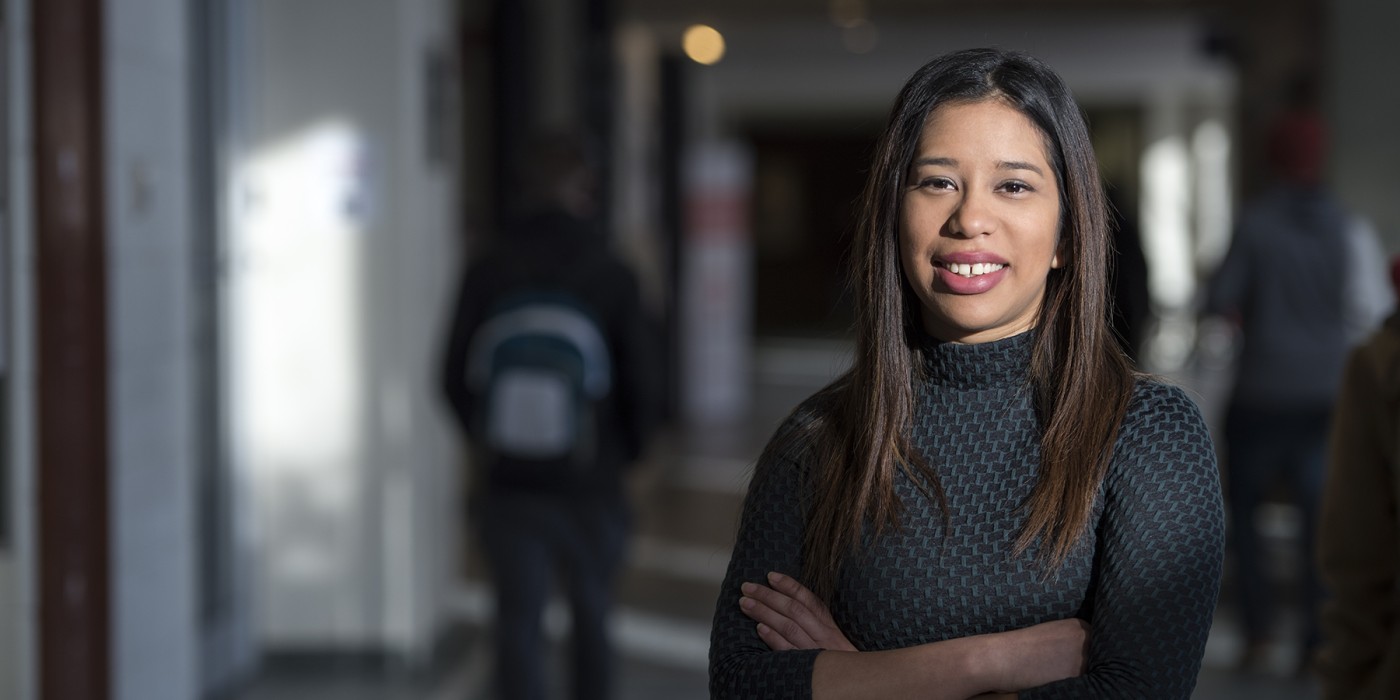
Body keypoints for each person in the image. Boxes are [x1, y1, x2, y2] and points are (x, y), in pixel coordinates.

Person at [708, 48, 1224, 698]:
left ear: (1067, 233)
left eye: (1013, 185)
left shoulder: (1148, 434)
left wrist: (852, 674)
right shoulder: (818, 439)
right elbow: (742, 683)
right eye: (938, 182)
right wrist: (990, 663)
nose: (969, 219)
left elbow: (1139, 691)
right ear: (895, 216)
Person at [441, 131, 662, 700]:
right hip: (592, 481)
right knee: (592, 616)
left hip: (510, 483)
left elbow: (448, 375)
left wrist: (492, 439)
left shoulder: (487, 268)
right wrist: (624, 453)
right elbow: (643, 379)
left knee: (517, 623)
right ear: (585, 190)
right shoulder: (611, 272)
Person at [1204, 106, 1391, 673]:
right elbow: (1371, 309)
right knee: (1322, 525)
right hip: (1326, 397)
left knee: (1251, 522)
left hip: (1263, 392)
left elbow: (1218, 301)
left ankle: (1260, 638)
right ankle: (1317, 641)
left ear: (1273, 158)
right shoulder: (1348, 226)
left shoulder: (1255, 224)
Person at [1316, 256, 1400, 699]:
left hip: (1272, 389)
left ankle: (1264, 635)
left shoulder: (1383, 363)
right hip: (1316, 384)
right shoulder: (1349, 233)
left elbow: (1360, 561)